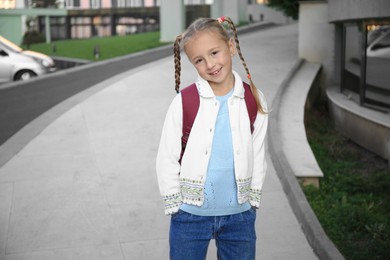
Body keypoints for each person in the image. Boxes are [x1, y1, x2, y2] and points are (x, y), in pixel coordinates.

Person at [156, 16, 268, 260]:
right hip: (190, 216)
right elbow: (167, 156)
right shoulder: (184, 102)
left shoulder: (254, 99)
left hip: (239, 216)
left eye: (214, 52)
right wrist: (176, 205)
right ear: (192, 64)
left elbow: (258, 153)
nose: (210, 64)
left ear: (231, 46)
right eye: (199, 60)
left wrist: (253, 199)